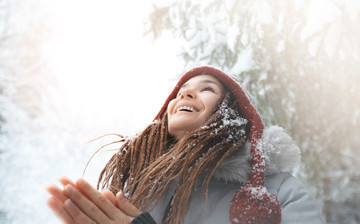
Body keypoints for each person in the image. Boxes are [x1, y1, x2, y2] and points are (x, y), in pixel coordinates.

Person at [46, 66, 324, 224]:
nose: (186, 94)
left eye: (207, 89)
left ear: (234, 111)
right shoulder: (137, 194)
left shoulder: (279, 192)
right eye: (180, 92)